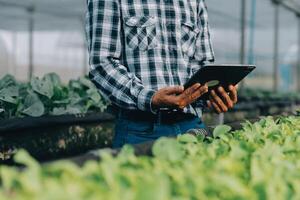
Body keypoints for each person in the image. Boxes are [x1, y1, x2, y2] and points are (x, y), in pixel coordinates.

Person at [86, 0, 238, 148]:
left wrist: (214, 92)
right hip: (140, 130)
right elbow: (102, 64)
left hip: (191, 126)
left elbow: (201, 62)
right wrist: (151, 99)